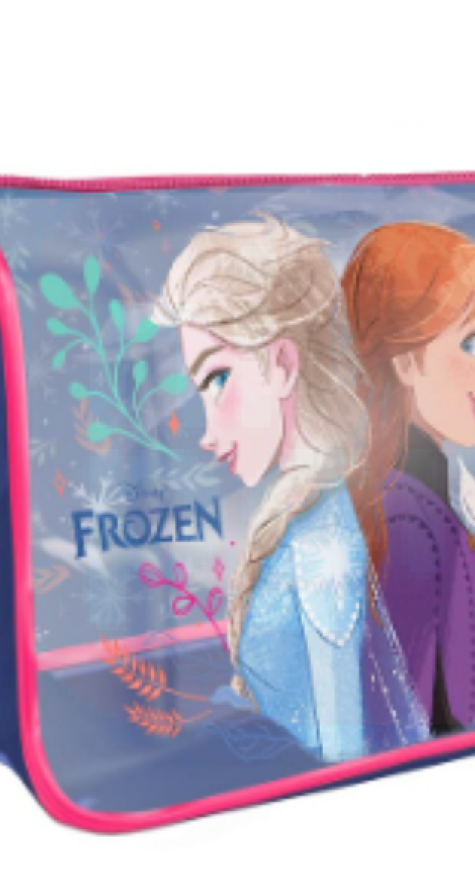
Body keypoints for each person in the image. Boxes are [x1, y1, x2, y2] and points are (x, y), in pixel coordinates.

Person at [156, 214, 428, 762]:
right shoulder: (313, 515)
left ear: (282, 363)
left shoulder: (321, 540)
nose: (207, 432)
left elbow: (344, 753)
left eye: (218, 379)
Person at [342, 222, 475, 734]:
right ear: (407, 363)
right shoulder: (414, 523)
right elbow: (412, 725)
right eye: (469, 344)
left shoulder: (390, 501)